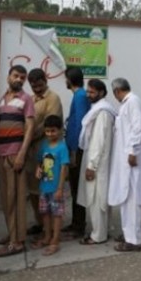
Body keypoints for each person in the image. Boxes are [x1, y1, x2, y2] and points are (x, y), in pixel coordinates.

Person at [108, 78, 141, 252]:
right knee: (126, 200)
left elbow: (138, 128)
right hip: (125, 162)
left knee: (132, 201)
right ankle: (128, 235)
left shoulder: (133, 102)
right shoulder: (126, 104)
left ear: (116, 91)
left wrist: (133, 152)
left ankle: (134, 240)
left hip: (131, 161)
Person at [0, 64, 35, 257]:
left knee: (16, 198)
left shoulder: (26, 99)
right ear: (9, 76)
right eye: (16, 76)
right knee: (6, 198)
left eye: (22, 77)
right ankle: (12, 233)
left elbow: (30, 128)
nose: (19, 79)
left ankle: (17, 242)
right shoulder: (3, 98)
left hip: (15, 154)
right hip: (2, 154)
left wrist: (21, 154)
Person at [76, 79, 117, 245]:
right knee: (100, 198)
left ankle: (97, 235)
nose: (88, 95)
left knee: (96, 199)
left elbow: (98, 141)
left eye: (92, 92)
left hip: (97, 163)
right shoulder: (100, 109)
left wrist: (91, 166)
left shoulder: (102, 112)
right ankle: (102, 232)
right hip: (99, 161)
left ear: (101, 92)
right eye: (88, 91)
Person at [27, 68, 63, 236]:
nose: (38, 89)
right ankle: (40, 222)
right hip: (33, 151)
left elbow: (49, 124)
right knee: (34, 189)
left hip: (49, 152)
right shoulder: (31, 99)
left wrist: (29, 135)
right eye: (34, 86)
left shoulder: (53, 98)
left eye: (40, 85)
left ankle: (51, 231)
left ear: (45, 81)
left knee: (48, 189)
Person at [31, 115, 69, 256]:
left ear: (60, 131)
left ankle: (55, 240)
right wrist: (38, 169)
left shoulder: (62, 148)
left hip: (55, 188)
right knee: (45, 213)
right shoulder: (44, 146)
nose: (50, 134)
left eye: (53, 131)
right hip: (44, 187)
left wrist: (60, 188)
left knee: (56, 214)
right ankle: (47, 236)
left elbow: (64, 168)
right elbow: (39, 161)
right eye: (47, 131)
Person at [64, 67, 91, 239]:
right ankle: (75, 222)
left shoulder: (80, 96)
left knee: (77, 188)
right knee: (74, 188)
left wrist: (74, 150)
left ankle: (79, 226)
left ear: (70, 79)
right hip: (74, 148)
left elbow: (81, 125)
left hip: (77, 149)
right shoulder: (78, 95)